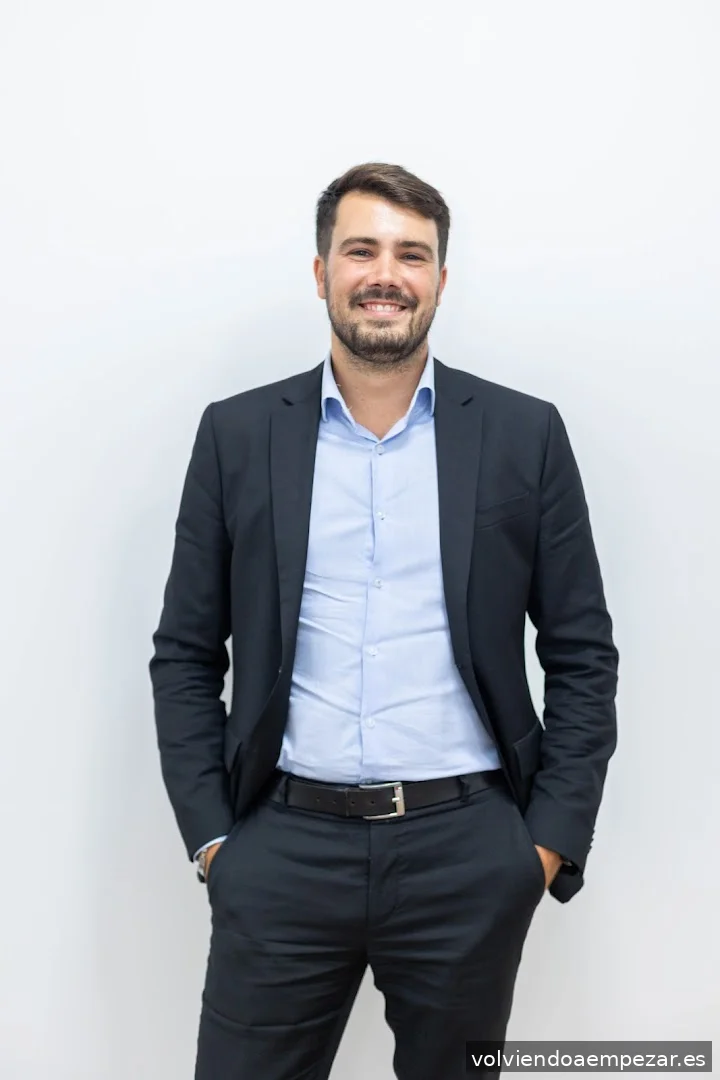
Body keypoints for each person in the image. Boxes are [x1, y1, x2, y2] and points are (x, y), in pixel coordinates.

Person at [149, 162, 619, 1080]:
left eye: (411, 254)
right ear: (321, 270)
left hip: (467, 852)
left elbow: (581, 653)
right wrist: (214, 841)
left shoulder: (524, 434)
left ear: (440, 278)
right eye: (361, 249)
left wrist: (541, 846)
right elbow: (186, 652)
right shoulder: (237, 434)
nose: (385, 274)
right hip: (283, 848)